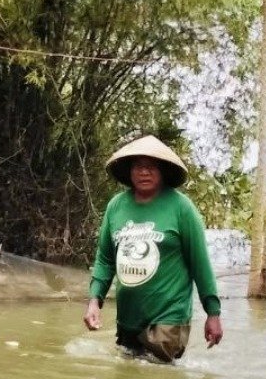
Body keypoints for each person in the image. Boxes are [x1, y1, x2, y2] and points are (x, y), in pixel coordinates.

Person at [83, 135, 223, 362]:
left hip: (169, 317)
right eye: (138, 166)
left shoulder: (181, 208)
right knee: (127, 377)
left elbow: (200, 263)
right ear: (129, 171)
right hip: (128, 319)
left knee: (155, 375)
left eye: (151, 167)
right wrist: (94, 301)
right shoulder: (116, 207)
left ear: (163, 171)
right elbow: (105, 260)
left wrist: (213, 313)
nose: (144, 172)